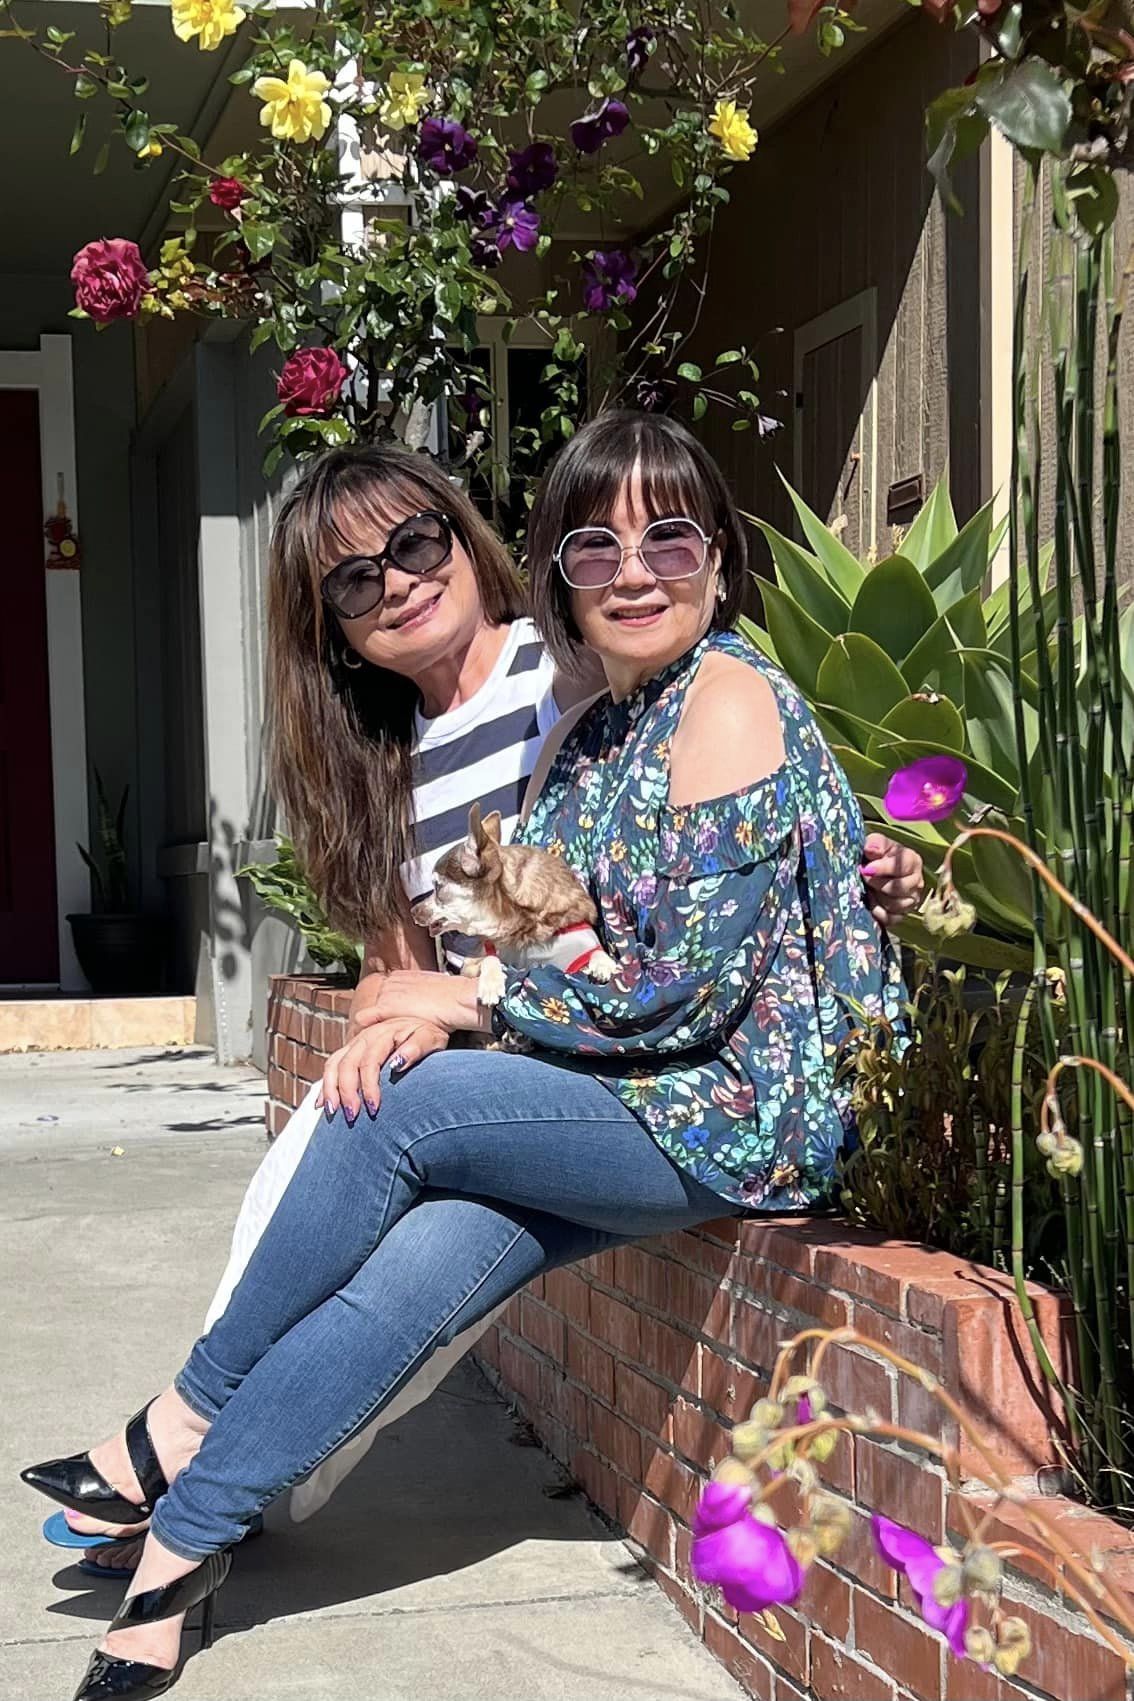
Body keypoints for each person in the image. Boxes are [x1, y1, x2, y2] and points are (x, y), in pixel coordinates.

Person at [25, 410, 914, 1700]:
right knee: (423, 1263)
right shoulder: (604, 725)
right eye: (596, 549)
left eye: (670, 539)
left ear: (720, 557)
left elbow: (681, 993)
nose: (633, 573)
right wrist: (438, 999)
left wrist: (469, 1004)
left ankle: (181, 1421)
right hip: (625, 1088)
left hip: (732, 1108)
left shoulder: (716, 696)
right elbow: (564, 941)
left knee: (406, 1110)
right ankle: (181, 1548)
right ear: (560, 572)